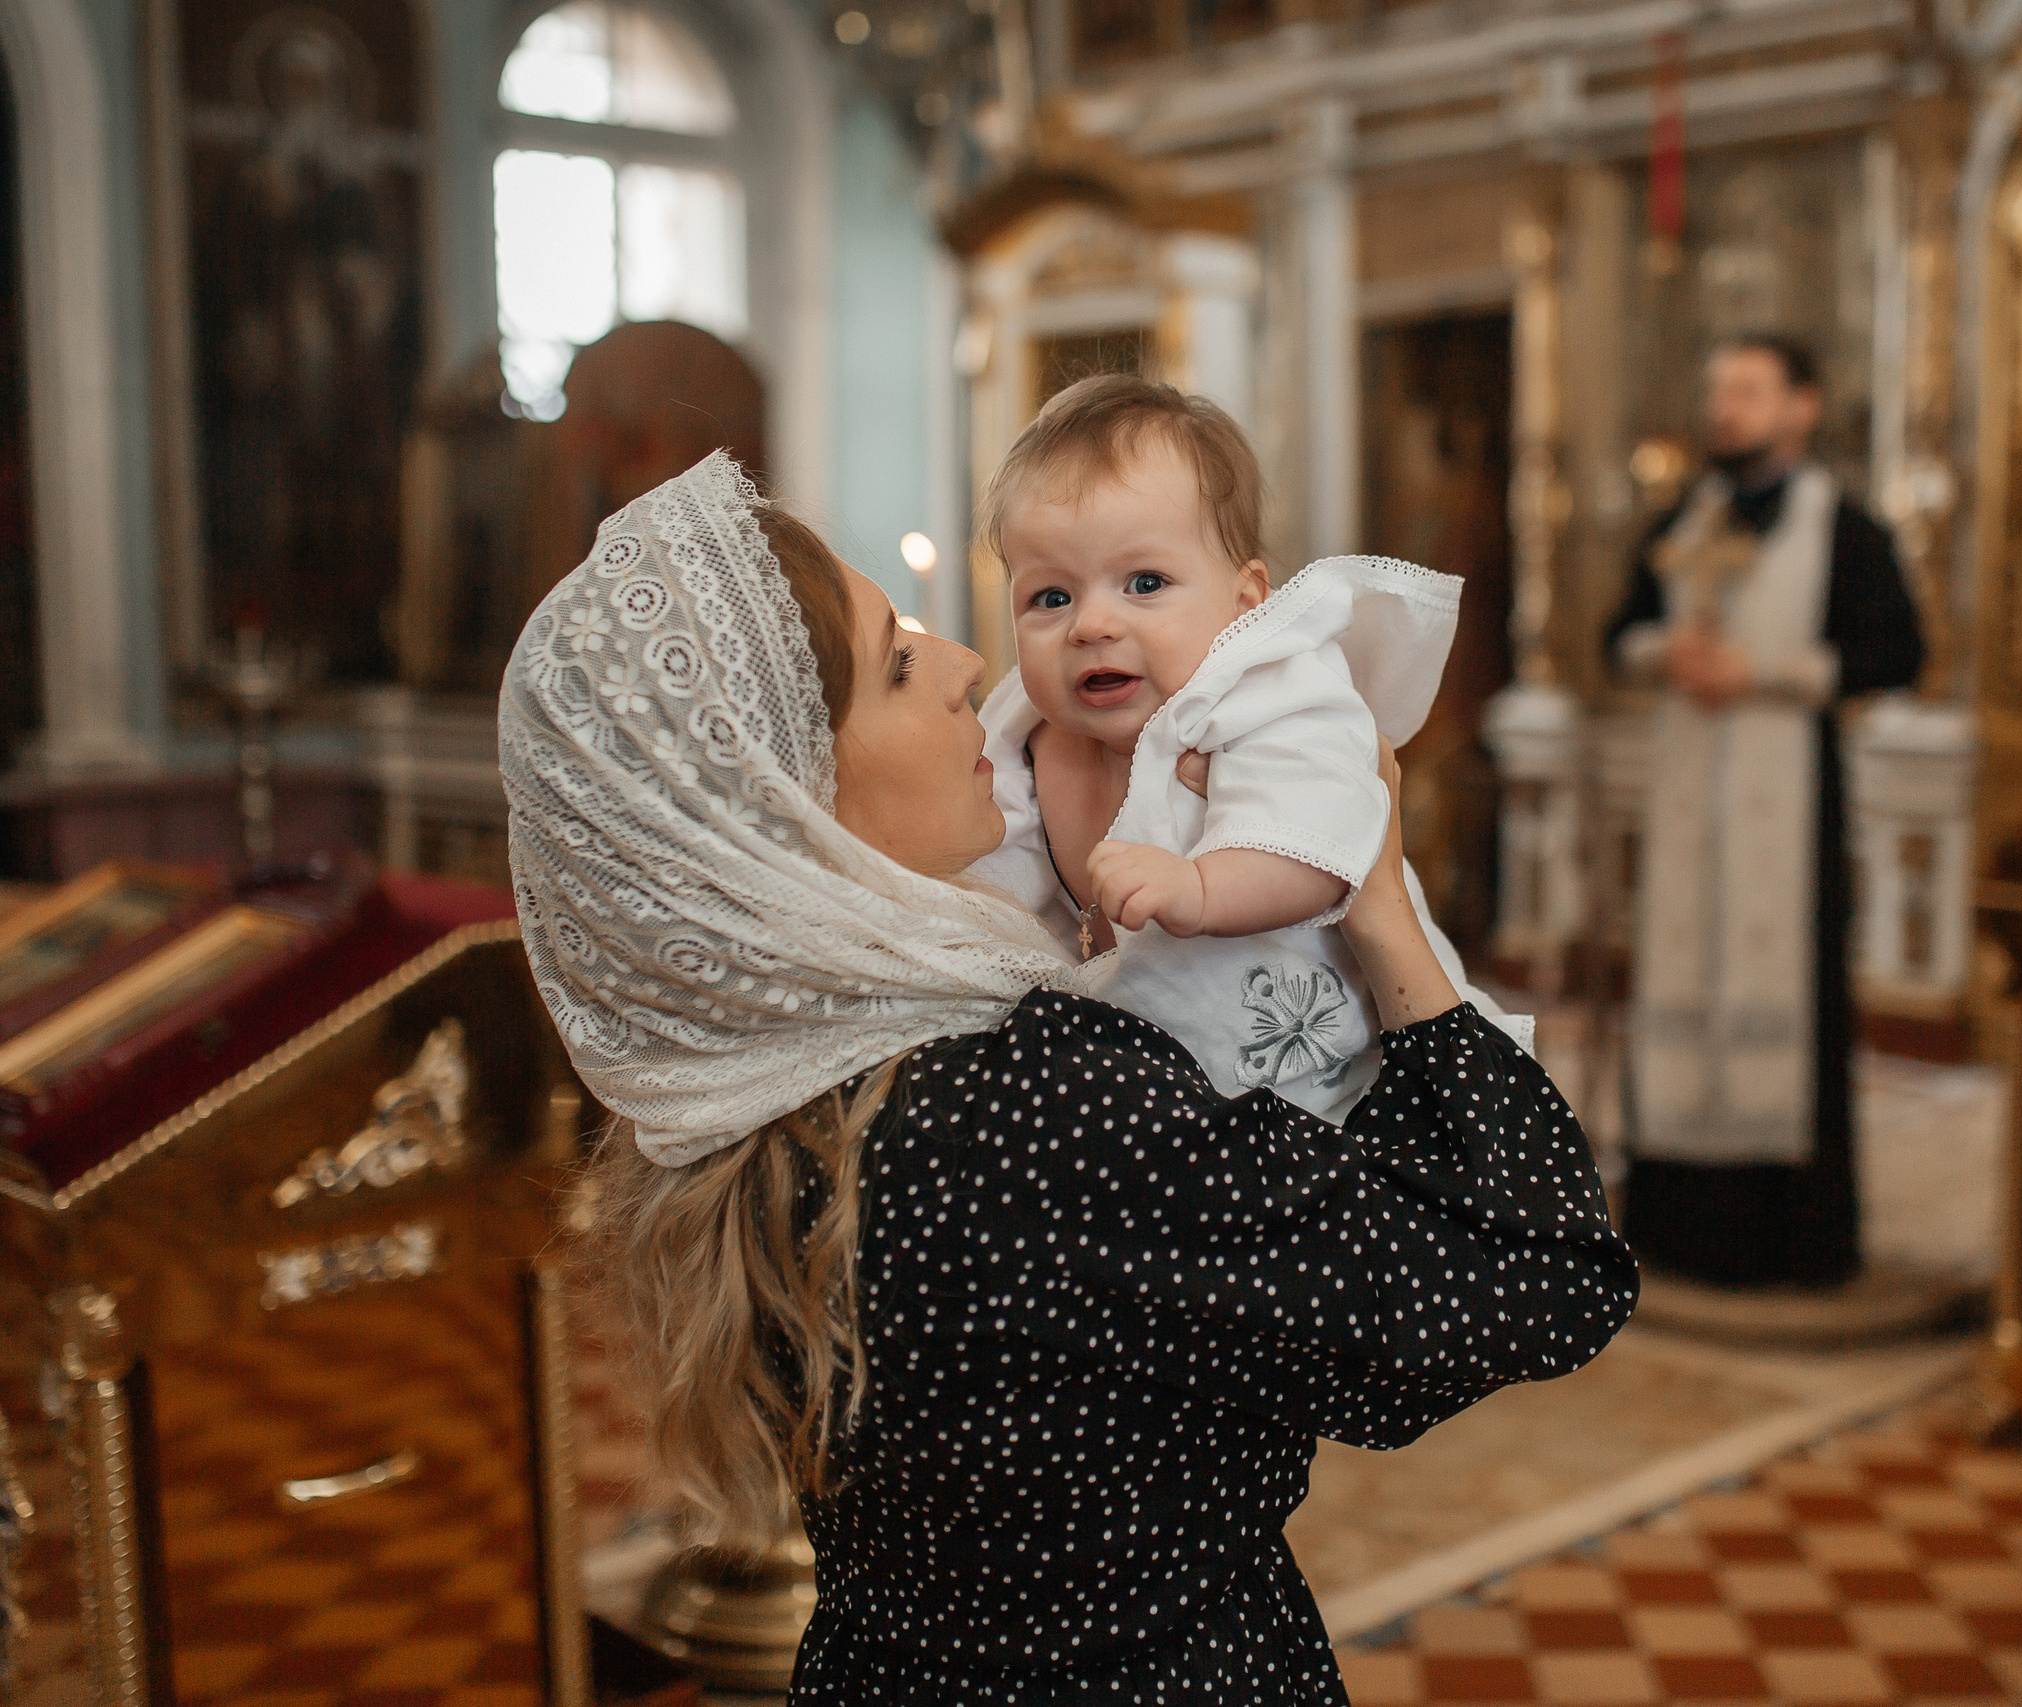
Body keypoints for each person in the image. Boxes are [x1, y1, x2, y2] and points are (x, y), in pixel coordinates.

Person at [500, 452, 1636, 1701]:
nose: (965, 667)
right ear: (790, 806)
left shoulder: (757, 1096)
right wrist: (1380, 914)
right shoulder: (1037, 1110)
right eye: (896, 663)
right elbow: (1540, 1278)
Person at [971, 374, 1528, 1122]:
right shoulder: (1020, 734)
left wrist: (1201, 889)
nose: (1091, 624)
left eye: (1144, 582)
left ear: (1245, 603)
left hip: (1335, 1079)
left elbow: (1318, 850)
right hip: (1164, 1092)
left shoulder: (1269, 692)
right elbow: (988, 881)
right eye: (1051, 596)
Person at [1604, 334, 1925, 1290]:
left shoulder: (1847, 529)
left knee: (1789, 991)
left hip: (1791, 800)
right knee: (1677, 981)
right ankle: (1672, 1227)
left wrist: (1768, 674)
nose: (1724, 407)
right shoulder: (1683, 522)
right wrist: (1668, 654)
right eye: (1715, 388)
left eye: (1746, 389)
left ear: (1801, 406)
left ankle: (1794, 1239)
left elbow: (1897, 652)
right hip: (1687, 799)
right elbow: (1617, 629)